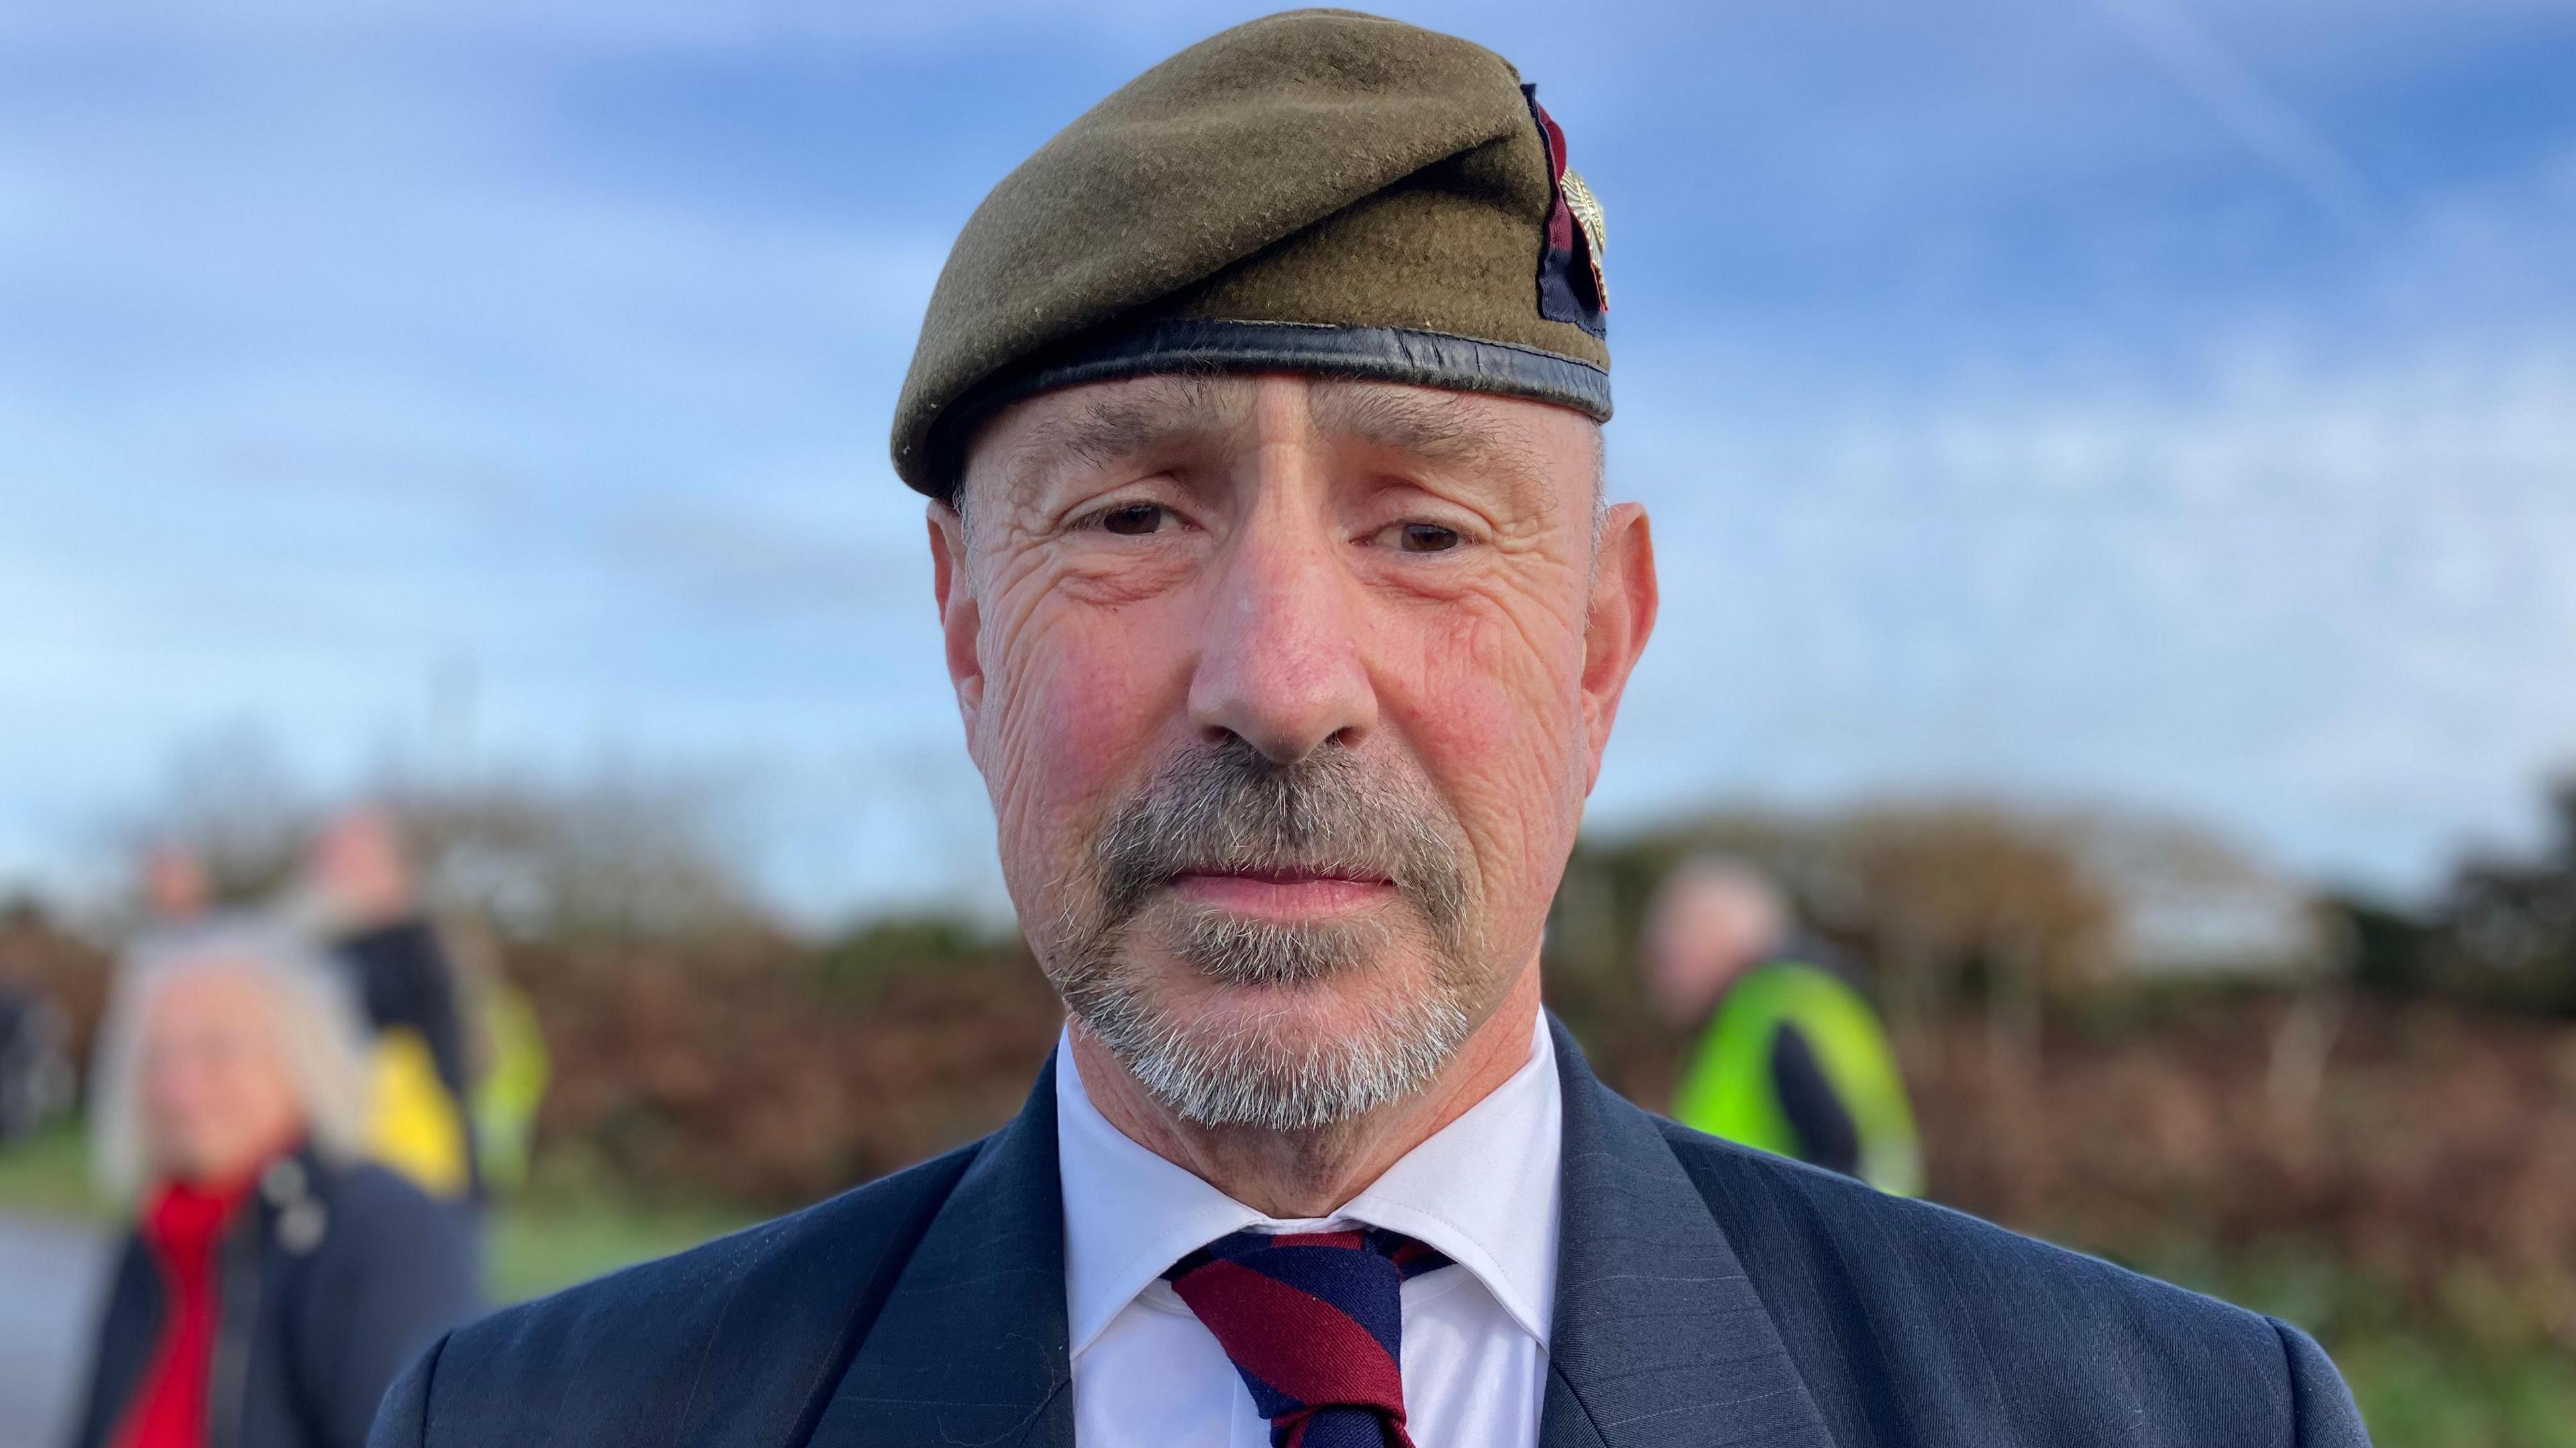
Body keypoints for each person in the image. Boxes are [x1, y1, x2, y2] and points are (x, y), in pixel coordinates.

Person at [370, 12, 2369, 1447]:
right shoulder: (529, 1413)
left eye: (1422, 527)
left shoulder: (2179, 1417)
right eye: (1134, 515)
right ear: (964, 632)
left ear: (1600, 643)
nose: (1281, 675)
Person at [69, 920, 479, 1448]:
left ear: (304, 1056)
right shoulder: (158, 1235)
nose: (177, 1088)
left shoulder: (385, 1228)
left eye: (216, 1050)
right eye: (157, 1056)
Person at [1644, 856, 1924, 1195]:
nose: (1657, 971)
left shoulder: (1772, 1011)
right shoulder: (1793, 997)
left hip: (1815, 1241)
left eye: (1670, 949)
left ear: (1722, 936)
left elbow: (1843, 1159)